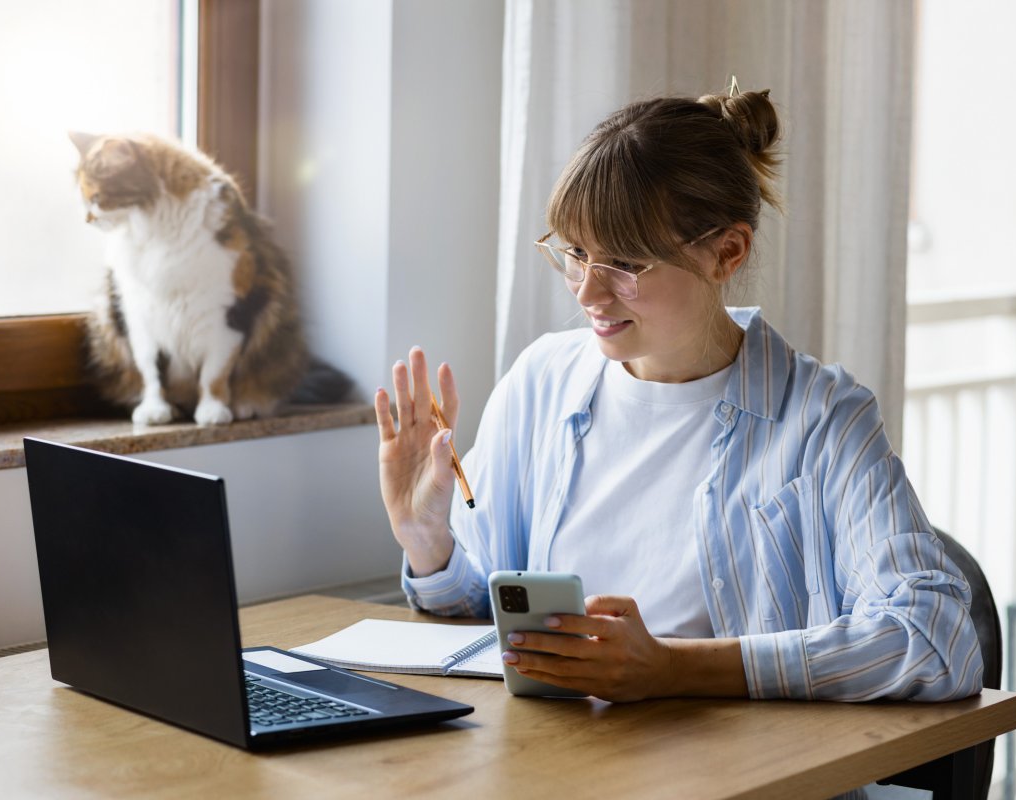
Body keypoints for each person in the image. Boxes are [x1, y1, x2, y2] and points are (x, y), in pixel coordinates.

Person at [373, 89, 984, 705]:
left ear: (726, 252)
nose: (587, 293)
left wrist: (673, 669)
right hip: (558, 767)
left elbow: (935, 642)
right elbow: (481, 610)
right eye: (576, 253)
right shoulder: (541, 382)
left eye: (625, 264)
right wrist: (427, 541)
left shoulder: (823, 420)